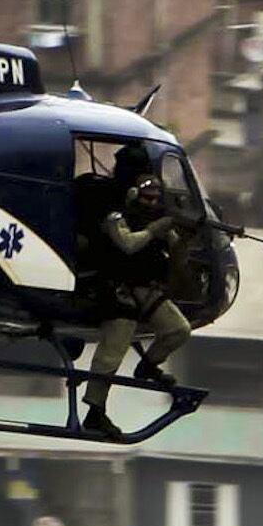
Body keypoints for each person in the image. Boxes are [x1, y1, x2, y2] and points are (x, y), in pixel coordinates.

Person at [81, 172, 197, 438]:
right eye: (146, 194)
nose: (151, 200)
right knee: (112, 351)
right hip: (115, 289)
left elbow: (177, 255)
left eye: (156, 195)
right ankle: (95, 411)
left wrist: (185, 238)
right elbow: (127, 244)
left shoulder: (158, 223)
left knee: (179, 330)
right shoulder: (116, 217)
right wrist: (155, 229)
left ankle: (149, 365)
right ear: (133, 193)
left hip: (147, 290)